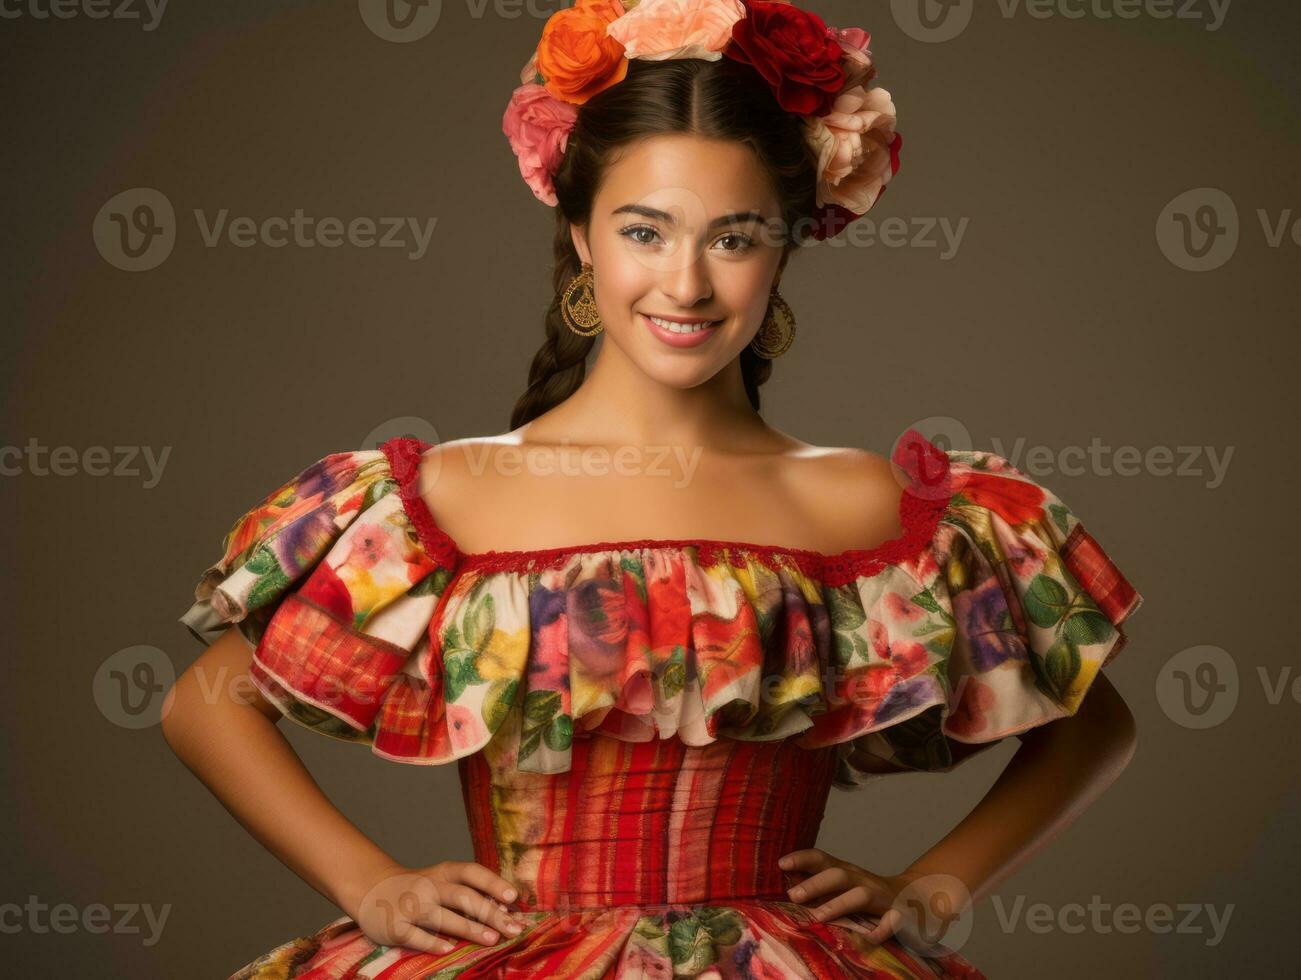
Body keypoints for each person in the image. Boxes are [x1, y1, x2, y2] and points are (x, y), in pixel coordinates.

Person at [161, 2, 1145, 976]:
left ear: (785, 246)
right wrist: (370, 883)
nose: (684, 283)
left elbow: (1090, 720)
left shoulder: (868, 507)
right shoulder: (441, 500)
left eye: (732, 237)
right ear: (582, 235)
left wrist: (934, 884)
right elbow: (208, 702)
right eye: (644, 231)